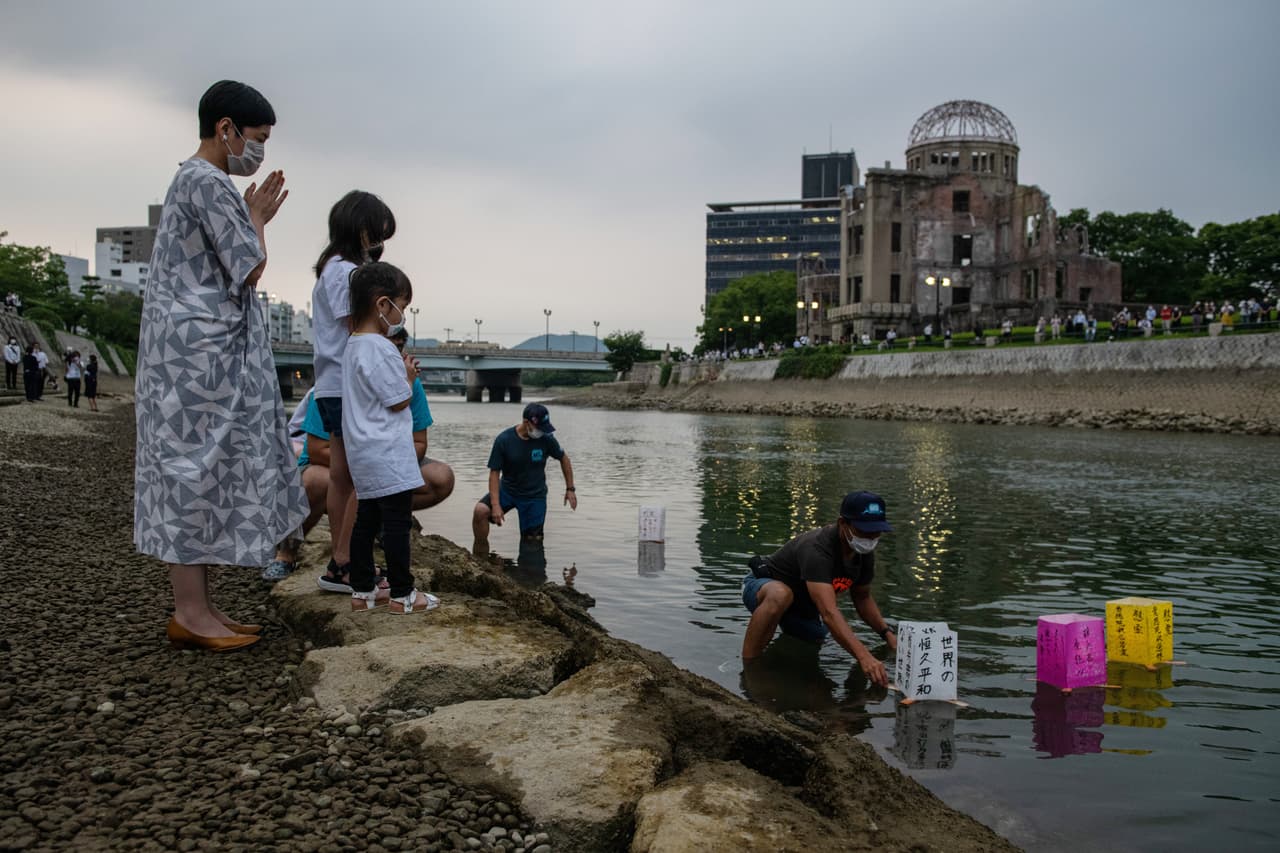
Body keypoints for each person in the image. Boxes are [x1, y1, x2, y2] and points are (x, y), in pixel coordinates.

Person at [134, 80, 306, 652]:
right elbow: (250, 267)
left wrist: (249, 213)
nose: (258, 152)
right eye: (256, 138)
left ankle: (200, 608)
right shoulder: (205, 181)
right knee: (192, 472)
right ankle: (190, 611)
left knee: (200, 473)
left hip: (188, 357)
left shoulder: (194, 180)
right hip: (196, 362)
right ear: (226, 128)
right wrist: (257, 217)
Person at [310, 190, 398, 596]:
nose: (380, 242)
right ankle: (346, 563)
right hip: (346, 386)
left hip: (333, 385)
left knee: (343, 476)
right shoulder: (344, 272)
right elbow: (357, 326)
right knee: (358, 478)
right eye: (378, 232)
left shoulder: (331, 268)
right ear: (361, 228)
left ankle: (341, 562)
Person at [342, 261, 438, 614]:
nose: (403, 316)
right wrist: (408, 375)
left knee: (365, 521)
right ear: (383, 305)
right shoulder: (381, 348)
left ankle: (363, 590)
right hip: (387, 452)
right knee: (397, 522)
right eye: (403, 306)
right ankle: (403, 594)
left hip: (363, 451)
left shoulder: (352, 346)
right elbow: (397, 399)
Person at [740, 491, 898, 686]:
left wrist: (887, 635)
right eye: (864, 531)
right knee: (780, 595)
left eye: (876, 531)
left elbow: (862, 597)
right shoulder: (817, 549)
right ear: (843, 524)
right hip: (761, 588)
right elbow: (829, 613)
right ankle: (749, 670)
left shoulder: (862, 553)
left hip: (801, 607)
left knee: (814, 641)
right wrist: (865, 657)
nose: (871, 538)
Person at [472, 402, 577, 545]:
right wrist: (495, 505)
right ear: (526, 422)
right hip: (507, 490)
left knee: (532, 542)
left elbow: (564, 458)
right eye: (538, 428)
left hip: (534, 497)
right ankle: (480, 555)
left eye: (544, 428)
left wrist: (570, 489)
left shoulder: (547, 439)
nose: (541, 431)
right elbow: (494, 473)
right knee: (480, 511)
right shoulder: (504, 440)